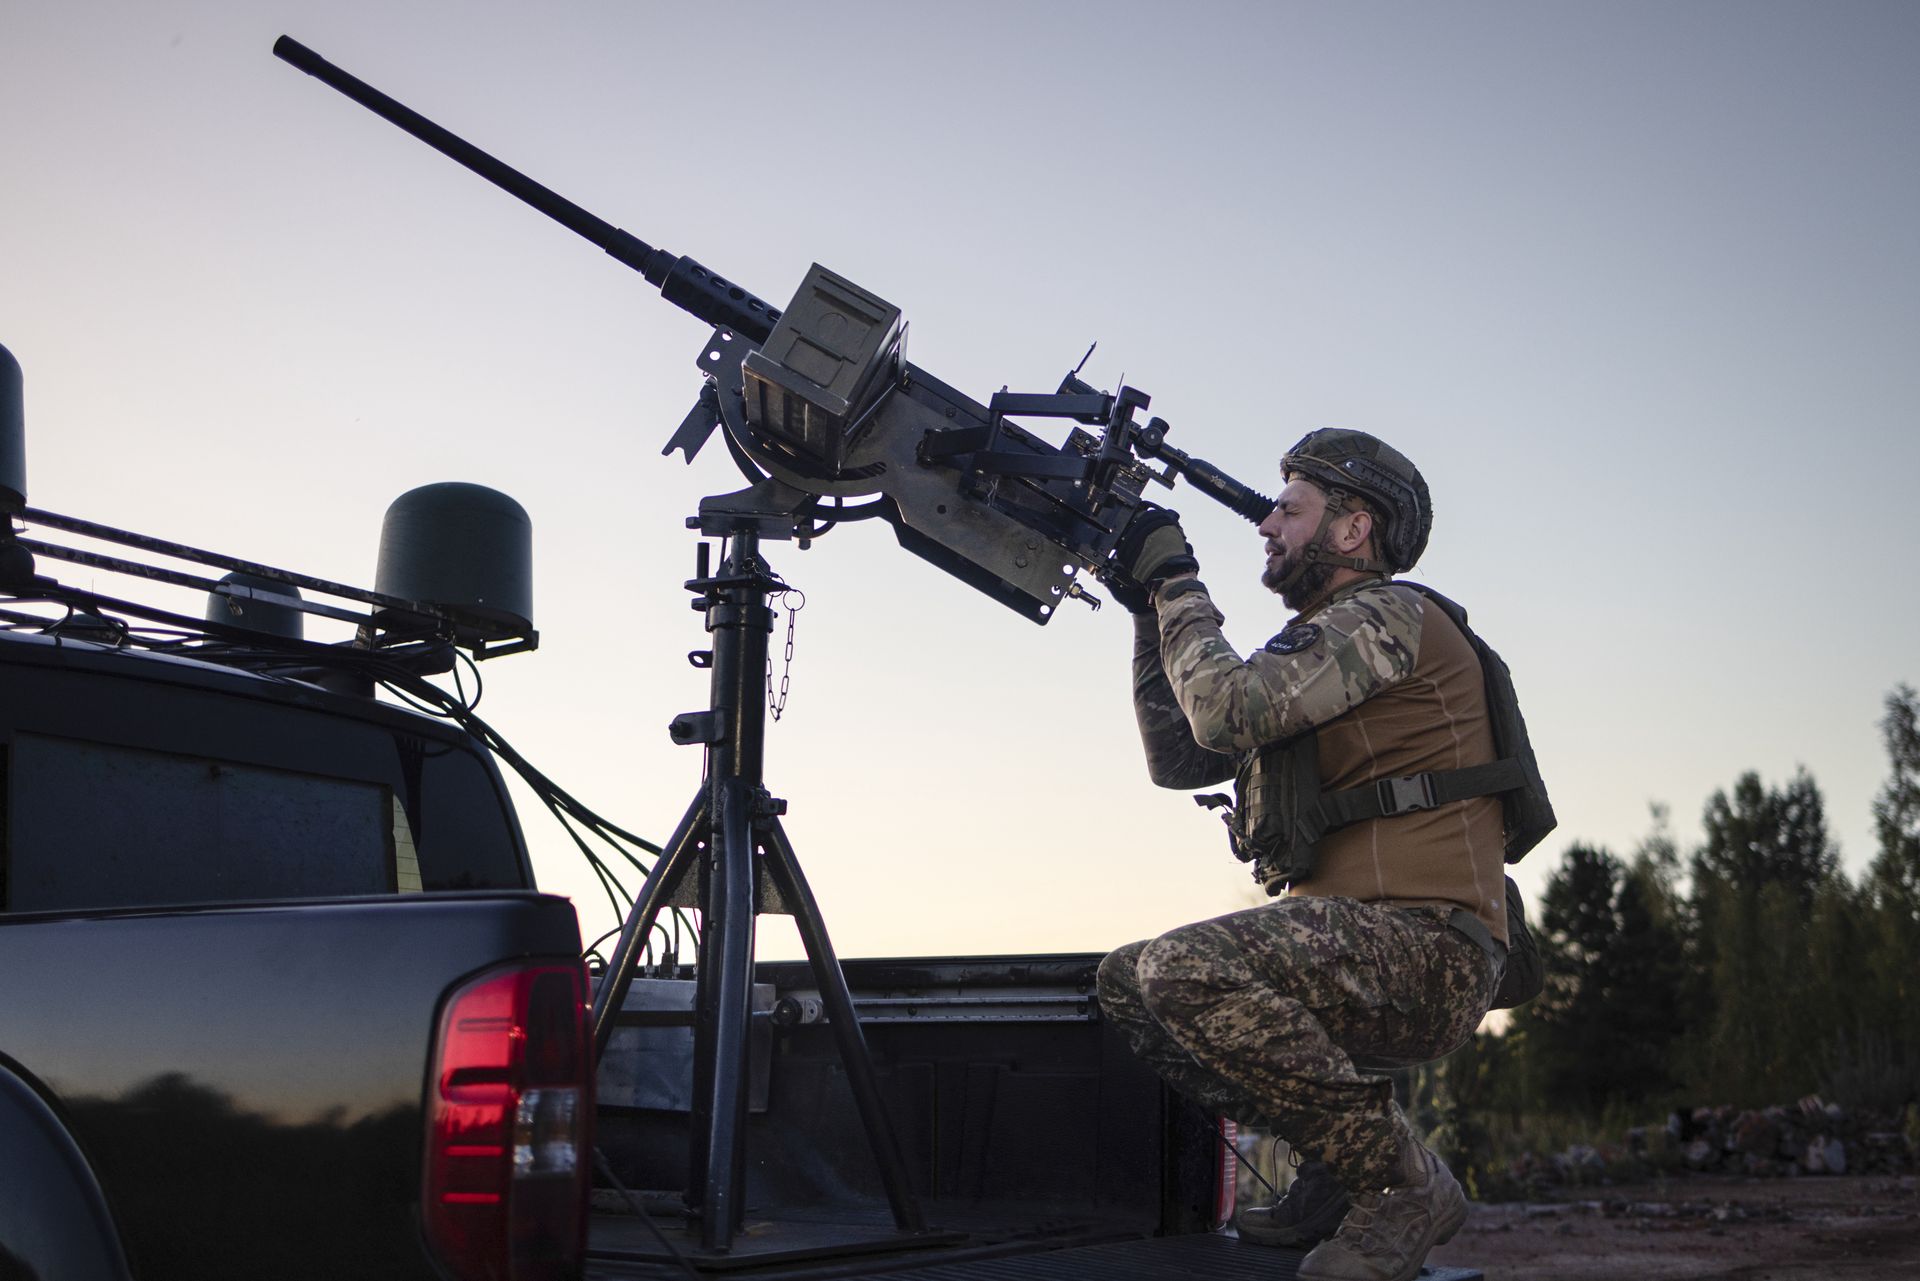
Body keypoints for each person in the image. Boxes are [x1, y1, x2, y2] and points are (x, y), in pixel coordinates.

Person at [1097, 429, 1511, 1281]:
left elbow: (1226, 712)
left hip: (1429, 950)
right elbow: (1181, 757)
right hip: (1354, 949)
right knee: (1127, 981)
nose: (1267, 525)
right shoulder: (1327, 652)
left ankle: (1401, 1184)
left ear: (1354, 530)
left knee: (1181, 967)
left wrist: (1176, 579)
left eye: (1290, 508)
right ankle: (1340, 1164)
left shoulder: (1388, 617)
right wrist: (1149, 610)